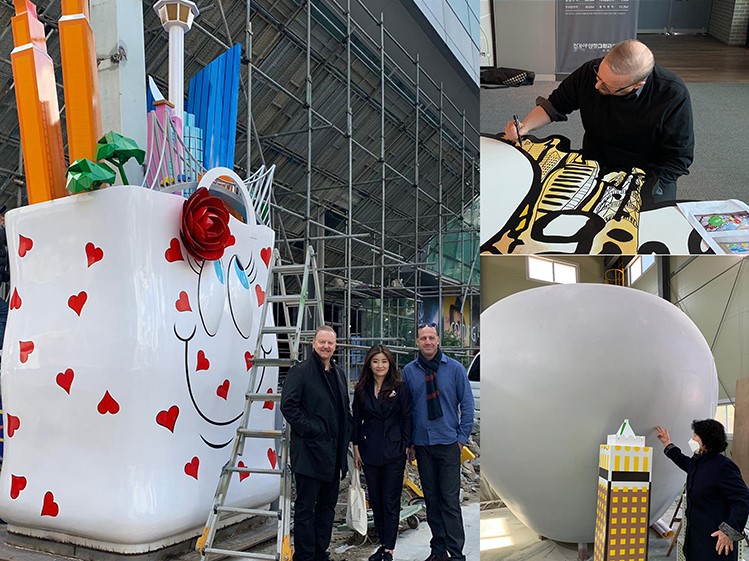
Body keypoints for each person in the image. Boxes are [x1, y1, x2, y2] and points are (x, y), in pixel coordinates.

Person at [504, 39, 694, 209]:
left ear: (637, 85)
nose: (597, 86)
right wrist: (525, 126)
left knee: (643, 229)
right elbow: (555, 104)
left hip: (647, 173)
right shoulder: (590, 71)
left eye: (607, 86)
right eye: (599, 77)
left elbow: (678, 158)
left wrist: (639, 188)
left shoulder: (672, 94)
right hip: (595, 160)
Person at [403, 323, 474, 561]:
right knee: (432, 501)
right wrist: (410, 442)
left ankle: (456, 554)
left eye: (431, 337)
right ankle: (438, 550)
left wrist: (461, 439)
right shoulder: (409, 372)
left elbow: (467, 405)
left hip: (448, 445)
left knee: (449, 502)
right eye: (423, 338)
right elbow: (408, 409)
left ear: (438, 340)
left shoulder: (454, 369)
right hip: (423, 445)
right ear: (417, 342)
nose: (427, 342)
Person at [280, 326, 353, 561]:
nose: (326, 347)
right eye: (322, 342)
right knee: (305, 509)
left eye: (330, 343)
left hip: (333, 455)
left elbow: (344, 411)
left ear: (336, 346)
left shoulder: (339, 373)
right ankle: (305, 556)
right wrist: (314, 429)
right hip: (310, 453)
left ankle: (321, 553)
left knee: (327, 508)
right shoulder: (300, 372)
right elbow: (289, 406)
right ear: (313, 343)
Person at [656, 420, 749, 560]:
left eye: (695, 435)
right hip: (696, 537)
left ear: (707, 439)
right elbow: (683, 461)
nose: (692, 439)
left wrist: (729, 532)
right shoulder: (699, 462)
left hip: (716, 542)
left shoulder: (723, 467)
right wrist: (667, 443)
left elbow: (742, 499)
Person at [352, 345, 412, 561]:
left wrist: (406, 446)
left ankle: (389, 549)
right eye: (376, 361)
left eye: (384, 361)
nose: (380, 365)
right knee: (376, 500)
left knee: (390, 500)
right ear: (369, 363)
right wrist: (356, 447)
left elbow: (407, 417)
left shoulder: (400, 387)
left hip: (394, 451)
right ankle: (382, 545)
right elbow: (356, 419)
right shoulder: (361, 389)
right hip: (369, 451)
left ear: (390, 364)